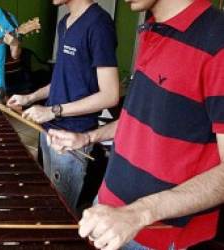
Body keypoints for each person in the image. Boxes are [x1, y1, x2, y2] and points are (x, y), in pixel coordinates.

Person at [47, 0, 224, 249]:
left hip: (156, 236)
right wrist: (87, 137)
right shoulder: (153, 27)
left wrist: (138, 214)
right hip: (108, 211)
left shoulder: (218, 42)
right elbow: (139, 119)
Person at [7, 0, 119, 213]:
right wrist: (29, 98)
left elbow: (110, 95)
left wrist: (52, 110)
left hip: (72, 137)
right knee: (48, 199)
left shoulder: (99, 24)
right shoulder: (64, 23)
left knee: (61, 212)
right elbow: (61, 80)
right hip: (48, 129)